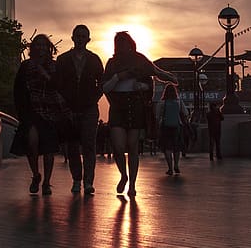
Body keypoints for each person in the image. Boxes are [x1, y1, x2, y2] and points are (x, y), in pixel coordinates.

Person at [102, 31, 177, 197]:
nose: (122, 46)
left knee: (133, 147)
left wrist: (164, 79)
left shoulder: (139, 59)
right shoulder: (112, 63)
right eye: (119, 43)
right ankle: (123, 175)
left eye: (125, 43)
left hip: (135, 105)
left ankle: (132, 185)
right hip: (118, 106)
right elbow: (105, 86)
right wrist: (118, 77)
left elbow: (155, 72)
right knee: (119, 147)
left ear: (131, 44)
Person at [10, 35, 67, 195]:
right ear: (33, 48)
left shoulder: (54, 67)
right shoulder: (26, 66)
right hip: (31, 110)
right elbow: (18, 90)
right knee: (32, 142)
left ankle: (47, 182)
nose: (41, 48)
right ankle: (36, 174)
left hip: (50, 110)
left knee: (49, 149)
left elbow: (58, 86)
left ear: (49, 48)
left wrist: (45, 74)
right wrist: (20, 111)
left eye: (44, 45)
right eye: (38, 45)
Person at [56, 25, 105, 195]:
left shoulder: (94, 60)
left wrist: (94, 99)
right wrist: (63, 103)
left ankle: (88, 182)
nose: (80, 39)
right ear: (72, 37)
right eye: (78, 36)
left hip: (89, 108)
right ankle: (77, 179)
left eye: (83, 36)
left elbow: (102, 83)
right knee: (73, 146)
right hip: (69, 108)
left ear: (88, 39)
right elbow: (57, 84)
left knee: (89, 145)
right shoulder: (62, 60)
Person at [157, 82, 187, 175]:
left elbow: (157, 115)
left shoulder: (162, 102)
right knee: (176, 147)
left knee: (167, 148)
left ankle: (170, 168)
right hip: (177, 126)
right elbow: (185, 112)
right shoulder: (178, 101)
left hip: (165, 126)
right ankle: (176, 165)